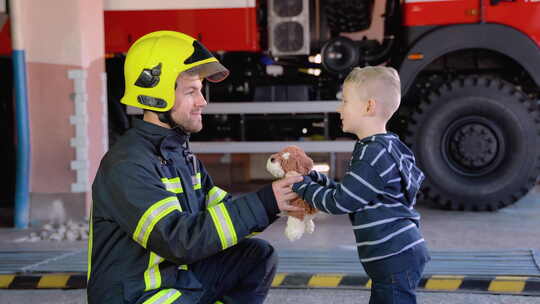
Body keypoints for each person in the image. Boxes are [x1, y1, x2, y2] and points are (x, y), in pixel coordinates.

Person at [87, 30, 304, 304]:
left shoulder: (180, 156)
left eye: (201, 90)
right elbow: (178, 240)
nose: (203, 101)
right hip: (139, 296)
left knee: (255, 256)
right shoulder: (128, 164)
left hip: (173, 282)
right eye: (191, 91)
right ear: (155, 96)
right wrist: (265, 202)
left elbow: (220, 214)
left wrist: (284, 199)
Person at [292, 66, 430, 304]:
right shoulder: (382, 146)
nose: (339, 108)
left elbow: (341, 202)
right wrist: (316, 179)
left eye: (345, 101)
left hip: (394, 255)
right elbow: (352, 190)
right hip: (395, 254)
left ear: (368, 107)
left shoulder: (374, 154)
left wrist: (302, 186)